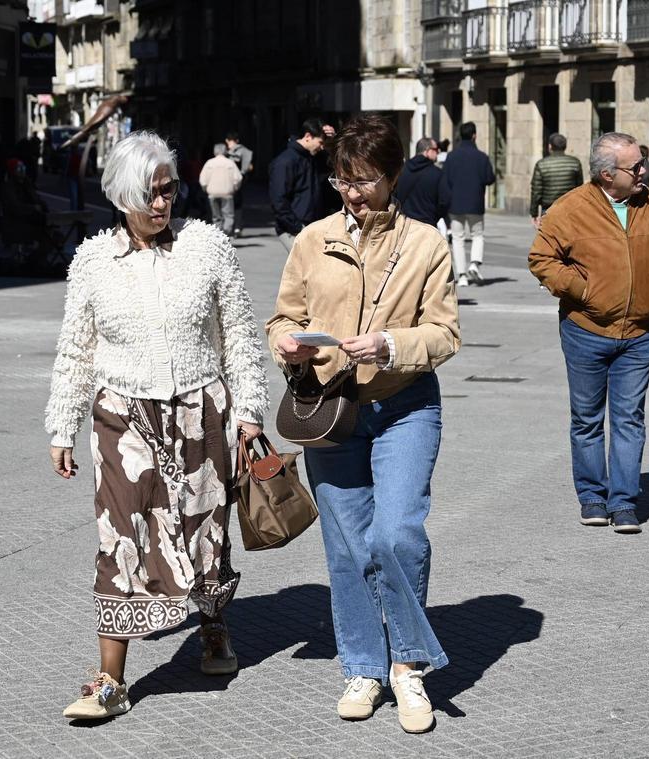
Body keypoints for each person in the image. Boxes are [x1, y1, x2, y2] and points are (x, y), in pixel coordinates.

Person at [45, 131, 268, 721]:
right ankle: (111, 681)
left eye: (168, 190)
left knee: (205, 527)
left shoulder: (207, 247)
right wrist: (62, 425)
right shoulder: (93, 261)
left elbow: (239, 335)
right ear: (122, 196)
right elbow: (76, 350)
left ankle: (213, 626)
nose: (162, 203)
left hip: (201, 413)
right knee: (119, 537)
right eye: (150, 194)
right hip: (122, 418)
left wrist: (249, 410)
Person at [266, 115, 460, 735]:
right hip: (331, 408)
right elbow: (283, 317)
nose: (351, 193)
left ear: (393, 175)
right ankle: (363, 667)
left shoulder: (426, 244)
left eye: (364, 180)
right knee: (348, 547)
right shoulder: (313, 239)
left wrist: (390, 345)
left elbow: (445, 333)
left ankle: (408, 666)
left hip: (405, 404)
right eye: (342, 181)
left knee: (396, 535)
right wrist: (287, 344)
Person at [528, 132, 649, 535]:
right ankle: (593, 497)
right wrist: (583, 291)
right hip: (586, 331)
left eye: (642, 162)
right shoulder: (571, 208)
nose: (644, 170)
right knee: (587, 419)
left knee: (630, 419)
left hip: (639, 334)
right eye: (636, 166)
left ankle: (624, 502)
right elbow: (541, 258)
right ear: (608, 174)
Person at [443, 122, 496, 285]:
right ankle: (474, 263)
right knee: (477, 235)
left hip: (455, 204)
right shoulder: (482, 157)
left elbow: (445, 180)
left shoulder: (451, 156)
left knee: (457, 239)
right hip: (475, 203)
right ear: (474, 135)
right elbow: (490, 178)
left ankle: (462, 276)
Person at [269, 118, 329, 253]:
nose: (322, 147)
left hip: (311, 226)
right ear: (308, 136)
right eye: (320, 142)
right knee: (307, 264)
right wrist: (297, 227)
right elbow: (278, 200)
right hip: (294, 229)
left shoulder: (312, 158)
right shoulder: (285, 162)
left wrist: (334, 138)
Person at [528, 133, 583, 230]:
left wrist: (534, 213)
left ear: (550, 146)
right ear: (565, 146)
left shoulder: (541, 164)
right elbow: (580, 189)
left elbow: (536, 191)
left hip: (548, 210)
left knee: (548, 237)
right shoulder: (575, 163)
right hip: (569, 210)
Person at [396, 137, 450, 228]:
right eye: (436, 149)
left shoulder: (401, 171)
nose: (438, 152)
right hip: (427, 225)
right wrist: (434, 217)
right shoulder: (437, 173)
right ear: (427, 151)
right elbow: (445, 201)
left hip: (404, 225)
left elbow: (394, 196)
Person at [200, 142, 244, 235]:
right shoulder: (230, 163)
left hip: (212, 193)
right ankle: (226, 231)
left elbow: (202, 179)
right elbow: (238, 178)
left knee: (216, 216)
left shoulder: (209, 163)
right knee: (228, 215)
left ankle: (218, 232)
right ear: (225, 151)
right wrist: (235, 188)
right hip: (227, 193)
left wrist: (205, 189)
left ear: (214, 151)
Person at [223, 132, 254, 237]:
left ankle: (230, 227)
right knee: (237, 204)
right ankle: (237, 227)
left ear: (227, 141)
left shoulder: (227, 152)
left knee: (229, 204)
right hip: (239, 180)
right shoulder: (245, 151)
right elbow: (248, 168)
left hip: (229, 181)